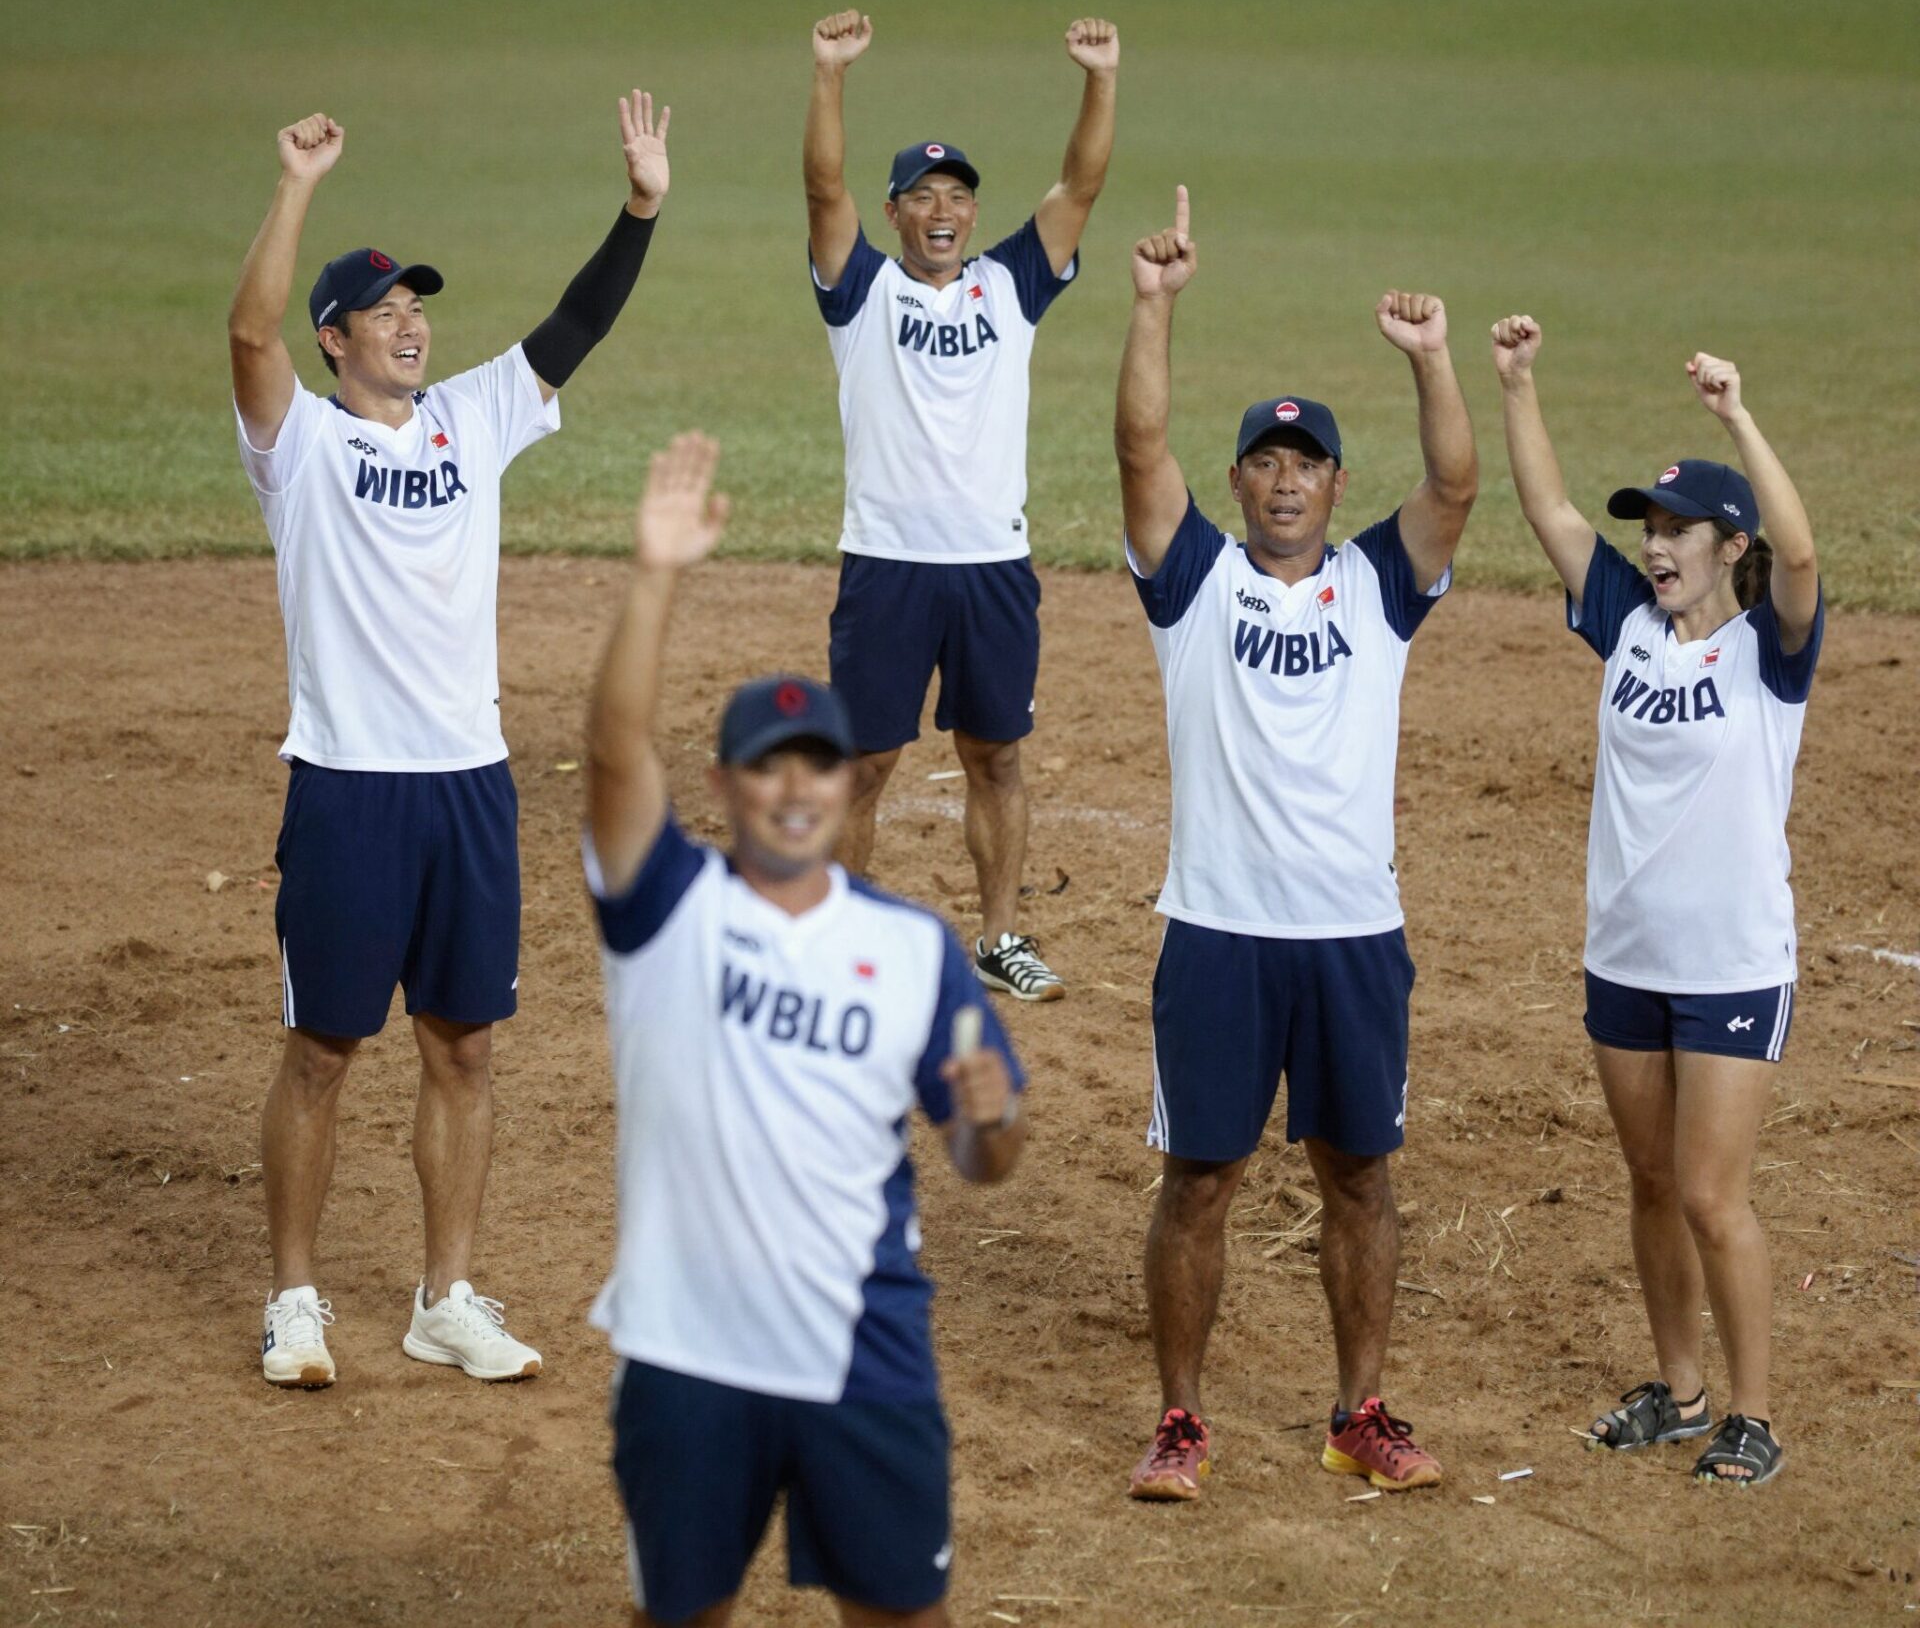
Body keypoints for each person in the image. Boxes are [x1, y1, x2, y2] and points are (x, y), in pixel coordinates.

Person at [230, 93, 671, 1388]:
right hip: (348, 788)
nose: (412, 322)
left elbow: (577, 324)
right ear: (336, 339)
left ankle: (447, 1297)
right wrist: (297, 184)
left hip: (468, 786)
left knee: (465, 1046)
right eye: (384, 310)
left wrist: (640, 210)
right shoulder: (299, 445)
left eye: (417, 305)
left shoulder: (472, 416)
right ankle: (294, 1301)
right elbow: (248, 332)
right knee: (324, 1050)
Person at [582, 432, 1027, 1627]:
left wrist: (988, 1126)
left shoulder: (917, 949)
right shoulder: (668, 909)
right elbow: (612, 754)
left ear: (845, 784)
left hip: (864, 1349)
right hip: (687, 1354)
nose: (794, 790)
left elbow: (986, 1158)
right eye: (767, 768)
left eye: (818, 767)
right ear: (723, 786)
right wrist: (655, 576)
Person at [1113, 188, 1477, 1499]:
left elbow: (1455, 483)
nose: (1283, 481)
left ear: (1333, 483)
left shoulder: (1377, 585)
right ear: (1238, 484)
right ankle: (1181, 1422)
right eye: (1264, 462)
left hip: (1352, 934)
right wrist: (1154, 306)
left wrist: (1432, 359)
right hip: (1220, 930)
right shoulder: (1193, 583)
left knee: (1360, 1178)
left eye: (1305, 462)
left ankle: (1358, 1413)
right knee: (1199, 1181)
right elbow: (1138, 445)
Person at [1492, 318, 1821, 1488]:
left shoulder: (1770, 652)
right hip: (1625, 957)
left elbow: (1802, 556)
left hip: (1732, 963)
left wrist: (1738, 415)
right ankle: (1680, 1395)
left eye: (1679, 530)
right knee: (1647, 1184)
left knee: (1710, 1195)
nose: (1656, 545)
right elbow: (1549, 510)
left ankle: (1753, 1414)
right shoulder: (1627, 623)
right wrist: (1518, 383)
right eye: (1650, 528)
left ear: (1729, 546)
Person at [802, 8, 1120, 1003]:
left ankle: (1001, 937)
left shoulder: (1011, 284)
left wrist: (1101, 79)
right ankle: (841, 947)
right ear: (895, 213)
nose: (942, 210)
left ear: (973, 213)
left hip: (991, 566)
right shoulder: (860, 291)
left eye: (957, 196)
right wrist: (830, 75)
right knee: (866, 763)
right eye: (922, 196)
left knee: (996, 756)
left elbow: (1080, 187)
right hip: (887, 564)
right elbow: (822, 188)